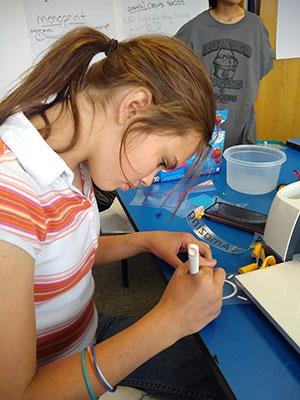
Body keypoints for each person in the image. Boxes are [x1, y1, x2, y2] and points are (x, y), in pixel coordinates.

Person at [0, 27, 226, 400]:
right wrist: (168, 322)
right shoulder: (11, 194)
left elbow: (60, 254)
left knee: (218, 369)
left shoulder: (71, 158)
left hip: (84, 334)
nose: (150, 177)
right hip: (55, 375)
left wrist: (145, 241)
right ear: (134, 105)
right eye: (161, 161)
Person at [175, 0, 274, 149]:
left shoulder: (256, 27)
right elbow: (172, 72)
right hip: (202, 134)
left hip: (242, 131)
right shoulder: (195, 28)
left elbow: (260, 68)